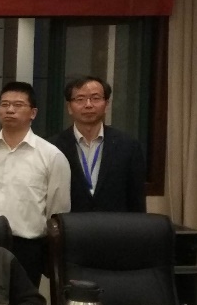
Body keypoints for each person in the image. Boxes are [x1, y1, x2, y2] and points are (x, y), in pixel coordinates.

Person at [0, 81, 71, 286]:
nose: (10, 110)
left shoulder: (51, 156)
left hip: (28, 247)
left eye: (18, 105)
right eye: (4, 104)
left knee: (23, 303)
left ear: (33, 113)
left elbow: (57, 211)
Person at [50, 75, 147, 213]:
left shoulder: (128, 146)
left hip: (115, 225)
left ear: (106, 104)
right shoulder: (52, 146)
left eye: (95, 98)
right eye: (80, 99)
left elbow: (136, 200)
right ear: (69, 107)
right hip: (69, 224)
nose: (88, 105)